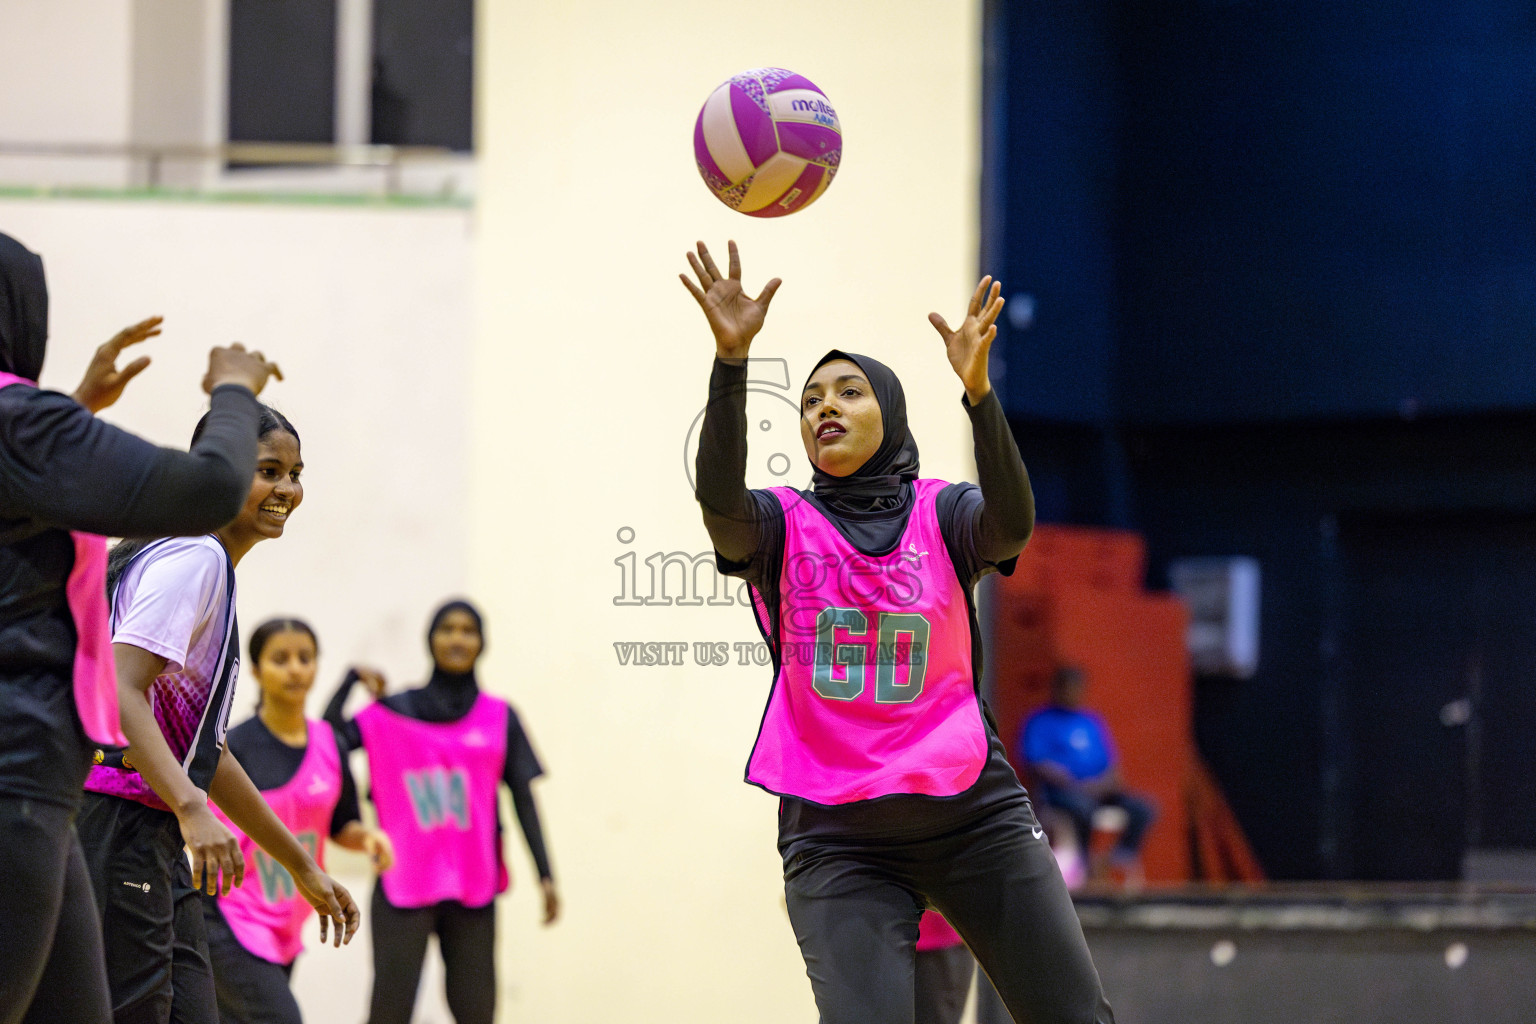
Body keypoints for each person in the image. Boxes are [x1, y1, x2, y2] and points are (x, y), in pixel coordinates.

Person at [682, 239, 1114, 1024]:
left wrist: (979, 394)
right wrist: (731, 361)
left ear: (891, 413)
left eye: (848, 392)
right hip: (837, 837)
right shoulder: (779, 525)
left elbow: (1013, 525)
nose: (825, 408)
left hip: (973, 816)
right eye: (811, 400)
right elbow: (719, 501)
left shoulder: (944, 513)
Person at [0, 229, 279, 1024]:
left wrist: (73, 408)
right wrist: (234, 393)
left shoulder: (26, 430)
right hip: (29, 778)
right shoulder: (23, 424)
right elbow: (209, 487)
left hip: (52, 790)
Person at [78, 405, 360, 1024]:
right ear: (216, 472)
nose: (287, 489)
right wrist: (190, 807)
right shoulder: (195, 557)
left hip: (149, 833)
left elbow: (207, 752)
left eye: (295, 474)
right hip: (117, 823)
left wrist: (301, 866)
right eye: (268, 471)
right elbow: (120, 691)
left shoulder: (200, 562)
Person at [324, 600, 559, 1024]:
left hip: (473, 886)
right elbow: (328, 742)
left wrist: (545, 874)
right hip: (402, 884)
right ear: (430, 640)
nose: (457, 638)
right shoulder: (391, 713)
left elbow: (523, 798)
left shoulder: (499, 717)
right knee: (389, 1013)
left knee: (477, 1012)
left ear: (482, 642)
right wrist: (349, 680)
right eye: (447, 629)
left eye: (468, 630)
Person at [204, 618, 395, 1024]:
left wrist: (368, 838)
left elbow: (341, 825)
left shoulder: (330, 742)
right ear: (255, 670)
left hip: (287, 922)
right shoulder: (232, 748)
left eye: (304, 658)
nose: (295, 669)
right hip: (229, 916)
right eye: (280, 659)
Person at [1020, 666, 1156, 884]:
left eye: (1078, 688)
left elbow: (1113, 768)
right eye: (1069, 687)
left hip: (1098, 790)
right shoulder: (1040, 721)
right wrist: (1072, 782)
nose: (1073, 692)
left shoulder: (1092, 721)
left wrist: (1101, 784)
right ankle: (1084, 866)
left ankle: (1117, 857)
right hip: (1062, 793)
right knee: (1083, 809)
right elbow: (1036, 763)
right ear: (1057, 688)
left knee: (1143, 808)